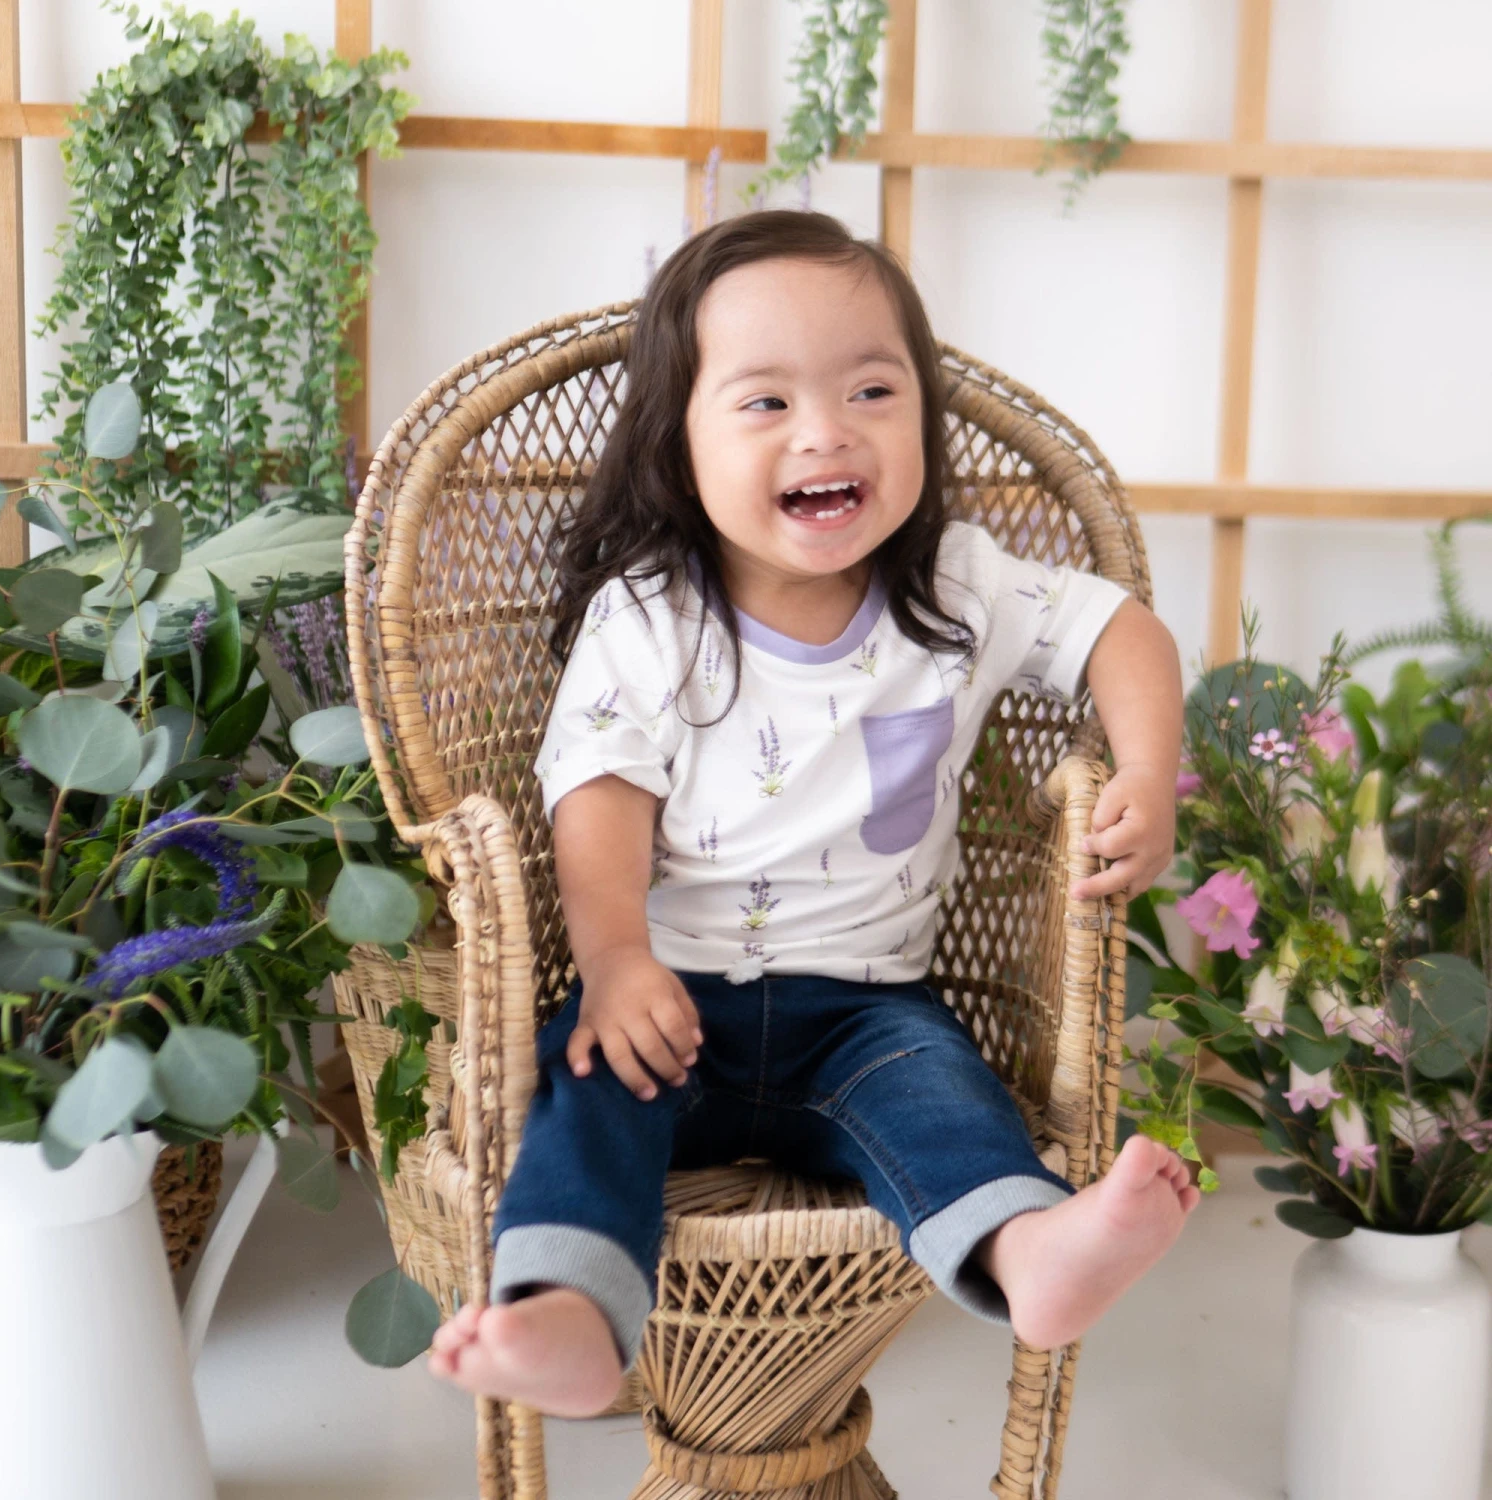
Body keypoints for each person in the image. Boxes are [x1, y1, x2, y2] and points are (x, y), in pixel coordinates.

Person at [428, 210, 1197, 1418]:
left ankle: (1027, 1251)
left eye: (872, 390)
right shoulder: (653, 615)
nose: (827, 431)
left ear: (924, 425)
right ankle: (570, 1313)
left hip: (868, 1009)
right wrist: (616, 958)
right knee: (585, 1094)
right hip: (667, 998)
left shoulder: (957, 587)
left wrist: (1149, 770)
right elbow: (600, 801)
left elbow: (1119, 630)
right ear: (679, 448)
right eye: (766, 403)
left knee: (947, 1104)